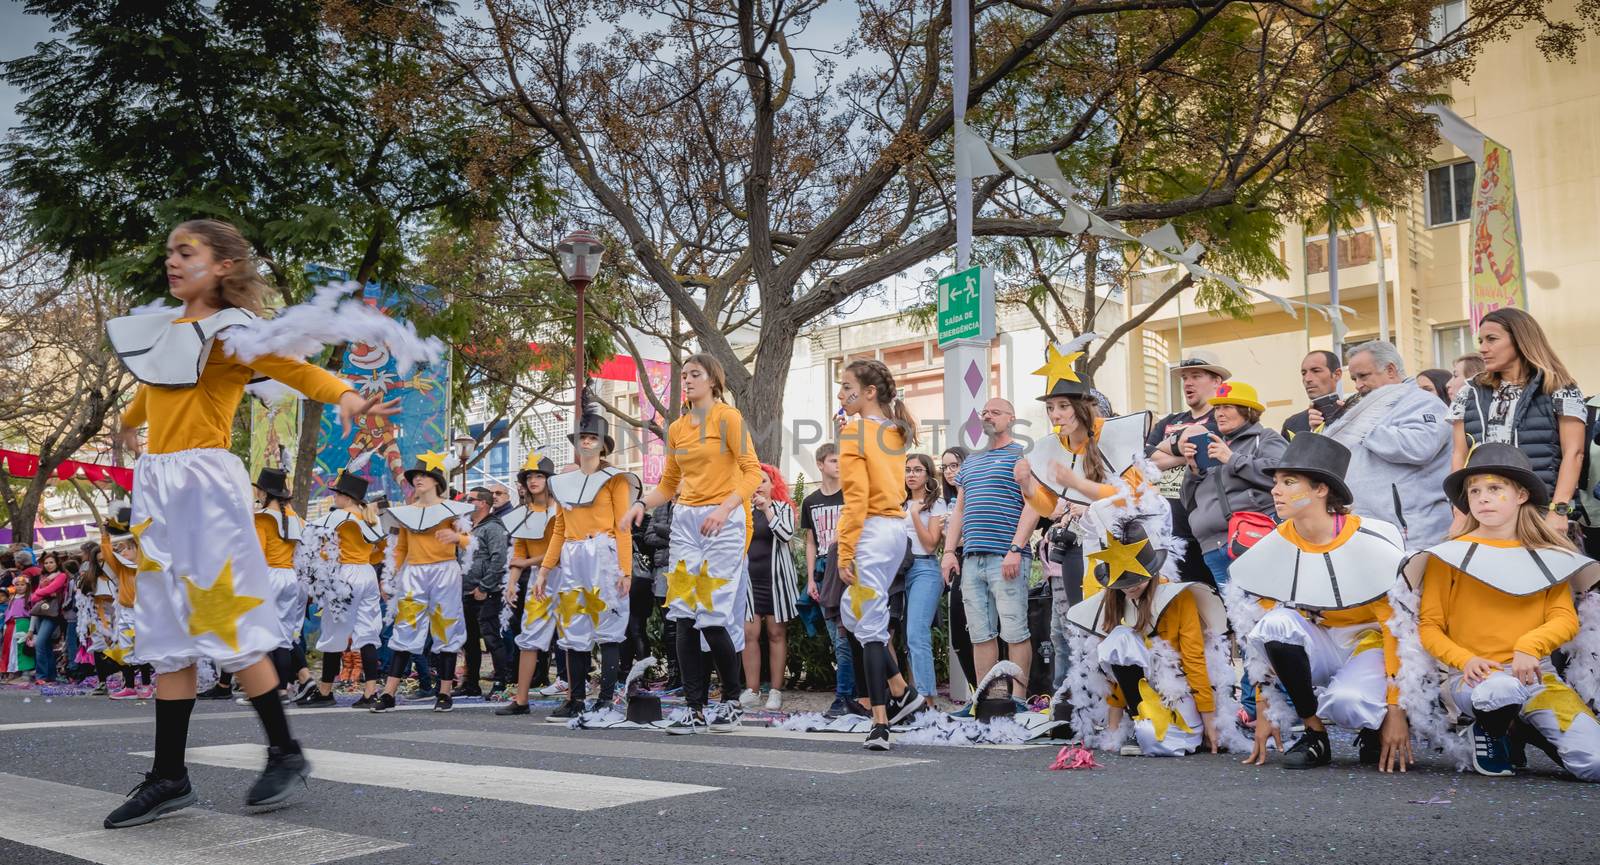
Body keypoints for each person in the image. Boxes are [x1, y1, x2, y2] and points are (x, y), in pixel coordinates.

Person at [100, 218, 406, 828]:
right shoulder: (169, 331)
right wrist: (128, 423)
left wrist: (349, 397)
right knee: (167, 632)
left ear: (222, 268)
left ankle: (285, 752)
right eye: (170, 252)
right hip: (158, 485)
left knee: (224, 616)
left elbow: (297, 372)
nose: (173, 261)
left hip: (204, 487)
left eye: (187, 253)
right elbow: (156, 385)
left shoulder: (232, 331)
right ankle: (169, 776)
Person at [1399, 444, 1600, 780]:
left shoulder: (1549, 555)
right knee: (1499, 690)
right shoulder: (1447, 556)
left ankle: (1519, 728)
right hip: (1475, 678)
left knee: (1594, 764)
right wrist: (1465, 661)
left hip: (1537, 677)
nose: (1482, 498)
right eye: (1474, 491)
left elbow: (1564, 618)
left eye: (1495, 488)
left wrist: (1528, 646)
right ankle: (1491, 729)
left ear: (1521, 495)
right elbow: (1430, 626)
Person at [1227, 434, 1412, 771]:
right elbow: (1256, 628)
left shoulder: (1369, 539)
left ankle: (1374, 721)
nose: (1275, 490)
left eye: (1289, 481)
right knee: (1274, 623)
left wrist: (1396, 709)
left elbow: (1396, 627)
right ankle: (1314, 733)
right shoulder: (1276, 544)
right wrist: (1265, 705)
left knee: (1348, 703)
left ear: (1321, 490)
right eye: (1276, 482)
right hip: (1320, 640)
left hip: (1369, 643)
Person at [623, 353, 761, 733]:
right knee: (682, 611)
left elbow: (752, 472)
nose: (686, 381)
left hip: (725, 523)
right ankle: (694, 706)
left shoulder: (727, 418)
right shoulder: (678, 428)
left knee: (713, 614)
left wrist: (725, 508)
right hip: (685, 524)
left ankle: (731, 699)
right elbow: (668, 485)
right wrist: (639, 504)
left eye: (694, 374)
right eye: (683, 375)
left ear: (713, 380)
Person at [1066, 520, 1230, 757]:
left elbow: (1194, 660)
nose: (1130, 588)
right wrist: (1113, 730)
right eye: (1123, 583)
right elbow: (1119, 668)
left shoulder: (1178, 599)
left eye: (1136, 581)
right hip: (1142, 698)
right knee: (1120, 638)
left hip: (1179, 690)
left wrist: (1210, 722)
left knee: (1156, 740)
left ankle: (1162, 727)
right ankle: (1138, 720)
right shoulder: (1115, 602)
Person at [835, 359, 926, 749]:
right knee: (853, 612)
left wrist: (845, 550)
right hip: (894, 531)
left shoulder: (856, 430)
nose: (841, 395)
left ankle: (880, 721)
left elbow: (855, 496)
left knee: (868, 625)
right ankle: (902, 691)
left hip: (871, 530)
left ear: (868, 392)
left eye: (846, 387)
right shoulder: (894, 430)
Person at [538, 413, 640, 721]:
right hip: (572, 555)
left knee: (609, 626)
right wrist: (544, 569)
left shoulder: (616, 480)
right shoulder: (562, 483)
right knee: (573, 628)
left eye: (592, 437)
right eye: (582, 437)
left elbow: (623, 527)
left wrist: (626, 570)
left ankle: (606, 699)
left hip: (603, 554)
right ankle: (576, 698)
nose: (586, 441)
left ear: (602, 445)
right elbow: (559, 529)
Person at [1449, 308, 1586, 536]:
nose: (1482, 348)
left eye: (1492, 339)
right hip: (1483, 515)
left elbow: (1575, 452)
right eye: (1480, 340)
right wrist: (1460, 512)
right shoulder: (1469, 392)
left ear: (1521, 339)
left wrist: (1559, 510)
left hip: (1539, 513)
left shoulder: (1559, 387)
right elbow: (1459, 456)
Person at [940, 398, 1040, 709]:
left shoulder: (1022, 455)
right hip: (972, 559)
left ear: (1011, 418)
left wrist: (1016, 548)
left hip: (1006, 557)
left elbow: (1034, 504)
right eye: (984, 412)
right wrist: (948, 552)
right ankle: (987, 701)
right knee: (980, 633)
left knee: (1014, 630)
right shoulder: (970, 462)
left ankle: (1018, 701)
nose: (987, 416)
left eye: (995, 412)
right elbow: (959, 510)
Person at [1323, 341, 1453, 548]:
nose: (1358, 385)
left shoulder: (1424, 402)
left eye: (1364, 376)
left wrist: (1359, 426)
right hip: (1368, 529)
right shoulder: (1363, 407)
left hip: (1414, 533)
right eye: (1354, 378)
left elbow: (1420, 447)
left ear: (1390, 370)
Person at [369, 459, 475, 714]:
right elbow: (400, 549)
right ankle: (388, 693)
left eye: (424, 476)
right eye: (415, 476)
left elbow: (471, 541)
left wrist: (456, 537)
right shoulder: (406, 512)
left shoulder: (452, 510)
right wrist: (388, 577)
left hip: (445, 571)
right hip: (413, 573)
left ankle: (444, 692)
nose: (418, 480)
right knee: (404, 630)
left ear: (436, 482)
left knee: (446, 628)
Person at [1177, 381, 1287, 587]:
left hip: (1252, 536)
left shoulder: (1264, 437)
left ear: (1248, 411)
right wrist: (1193, 471)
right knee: (1238, 616)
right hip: (1211, 547)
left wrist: (1232, 459)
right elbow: (1187, 502)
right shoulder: (1211, 446)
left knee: (1266, 606)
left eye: (1227, 407)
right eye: (1217, 408)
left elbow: (1283, 476)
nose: (1219, 413)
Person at [299, 471, 386, 708]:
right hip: (367, 573)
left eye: (336, 493)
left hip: (344, 575)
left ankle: (326, 691)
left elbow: (320, 547)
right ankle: (370, 692)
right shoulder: (372, 519)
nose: (333, 497)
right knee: (367, 632)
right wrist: (367, 556)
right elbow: (383, 548)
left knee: (333, 632)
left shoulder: (338, 517)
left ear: (346, 497)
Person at [1145, 353, 1231, 585]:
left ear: (1216, 381)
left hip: (1207, 532)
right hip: (1169, 531)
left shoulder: (1222, 418)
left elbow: (1199, 441)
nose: (1188, 383)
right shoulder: (1168, 421)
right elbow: (1145, 457)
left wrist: (1166, 450)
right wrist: (1183, 456)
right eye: (1184, 378)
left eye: (1196, 376)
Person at [496, 454, 559, 717]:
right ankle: (521, 699)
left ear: (549, 480)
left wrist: (526, 563)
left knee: (574, 638)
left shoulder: (562, 510)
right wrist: (511, 583)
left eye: (539, 476)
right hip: (537, 581)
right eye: (529, 477)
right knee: (529, 637)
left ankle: (574, 698)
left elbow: (561, 549)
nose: (533, 481)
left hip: (566, 574)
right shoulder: (521, 515)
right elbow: (518, 551)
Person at [801, 442, 860, 717]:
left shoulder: (851, 494)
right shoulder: (810, 501)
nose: (840, 466)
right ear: (821, 464)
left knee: (849, 634)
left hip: (848, 566)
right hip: (824, 570)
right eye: (834, 461)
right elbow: (810, 542)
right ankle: (848, 695)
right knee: (837, 638)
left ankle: (847, 696)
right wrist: (811, 578)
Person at [251, 467, 315, 702]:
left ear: (265, 493)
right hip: (290, 577)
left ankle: (275, 689)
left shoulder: (262, 517)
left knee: (267, 634)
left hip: (269, 576)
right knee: (285, 636)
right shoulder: (295, 518)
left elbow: (257, 554)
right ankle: (283, 688)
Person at [741, 464, 798, 711]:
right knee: (749, 635)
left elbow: (785, 535)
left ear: (773, 484)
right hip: (749, 582)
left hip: (777, 582)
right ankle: (752, 690)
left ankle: (775, 691)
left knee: (776, 634)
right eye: (754, 480)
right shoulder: (742, 510)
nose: (759, 485)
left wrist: (767, 511)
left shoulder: (784, 508)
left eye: (763, 480)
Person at [901, 452, 947, 704]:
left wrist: (916, 515)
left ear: (929, 474)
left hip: (924, 569)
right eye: (908, 470)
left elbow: (930, 545)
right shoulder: (898, 503)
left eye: (917, 470)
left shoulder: (936, 505)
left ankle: (927, 700)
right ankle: (911, 697)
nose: (911, 475)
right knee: (906, 637)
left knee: (917, 633)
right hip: (898, 572)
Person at [461, 485, 510, 698]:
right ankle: (470, 683)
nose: (466, 502)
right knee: (469, 640)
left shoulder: (493, 528)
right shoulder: (469, 527)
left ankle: (501, 680)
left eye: (469, 499)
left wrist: (485, 587)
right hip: (467, 591)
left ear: (482, 503)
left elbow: (499, 559)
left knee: (491, 638)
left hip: (486, 592)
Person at [938, 447, 977, 694]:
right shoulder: (944, 502)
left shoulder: (975, 494)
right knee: (959, 636)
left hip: (975, 560)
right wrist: (946, 538)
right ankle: (976, 692)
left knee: (980, 631)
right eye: (945, 467)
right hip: (954, 564)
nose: (950, 472)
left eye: (955, 465)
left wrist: (954, 539)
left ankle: (992, 694)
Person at [1281, 350, 1349, 439]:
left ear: (1337, 374)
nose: (1307, 379)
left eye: (1316, 371)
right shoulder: (1292, 425)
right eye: (1303, 373)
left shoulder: (1355, 415)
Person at [27, 550, 69, 684]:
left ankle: (41, 676)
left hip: (53, 613)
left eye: (51, 562)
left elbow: (48, 590)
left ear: (57, 563)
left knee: (39, 643)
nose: (49, 565)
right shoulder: (43, 577)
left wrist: (39, 593)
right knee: (46, 645)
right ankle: (51, 676)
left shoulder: (61, 576)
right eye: (46, 563)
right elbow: (34, 598)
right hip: (41, 612)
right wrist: (41, 593)